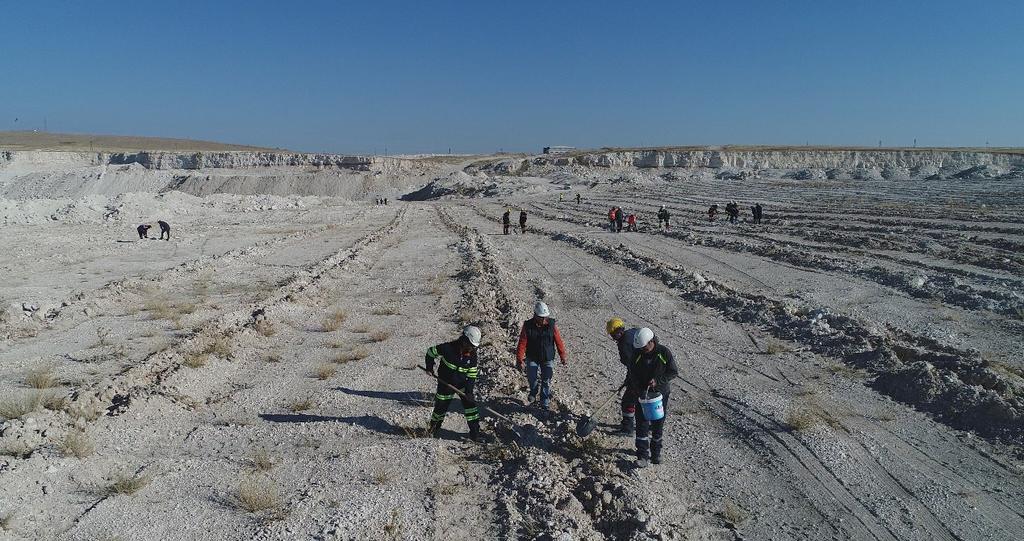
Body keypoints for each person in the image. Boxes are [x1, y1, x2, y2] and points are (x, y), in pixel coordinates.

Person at [627, 328, 679, 467]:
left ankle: (656, 454)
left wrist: (658, 381)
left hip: (660, 395)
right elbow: (632, 374)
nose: (644, 350)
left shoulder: (664, 352)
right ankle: (642, 455)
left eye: (645, 347)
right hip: (642, 394)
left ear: (652, 341)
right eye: (641, 348)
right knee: (642, 424)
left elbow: (673, 372)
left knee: (658, 423)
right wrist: (638, 389)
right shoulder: (637, 354)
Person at [425, 326, 482, 441]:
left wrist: (469, 392)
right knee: (440, 408)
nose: (471, 348)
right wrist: (429, 368)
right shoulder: (447, 348)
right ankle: (432, 430)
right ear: (464, 340)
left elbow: (471, 375)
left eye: (473, 346)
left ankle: (475, 434)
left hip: (462, 385)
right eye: (470, 345)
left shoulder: (472, 356)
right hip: (445, 384)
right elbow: (430, 352)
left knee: (471, 408)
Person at [516, 301, 568, 411]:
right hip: (532, 356)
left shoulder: (552, 326)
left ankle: (544, 401)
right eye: (541, 317)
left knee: (546, 379)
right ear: (535, 315)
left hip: (547, 357)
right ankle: (533, 392)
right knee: (532, 377)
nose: (544, 320)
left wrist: (562, 356)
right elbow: (522, 343)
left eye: (545, 317)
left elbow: (559, 341)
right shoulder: (528, 326)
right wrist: (519, 359)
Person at [606, 318, 639, 434]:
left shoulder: (624, 344)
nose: (613, 337)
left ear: (617, 332)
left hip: (639, 376)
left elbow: (632, 365)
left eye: (613, 334)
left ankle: (628, 428)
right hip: (651, 372)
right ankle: (651, 426)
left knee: (628, 401)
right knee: (645, 401)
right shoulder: (633, 332)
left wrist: (629, 380)